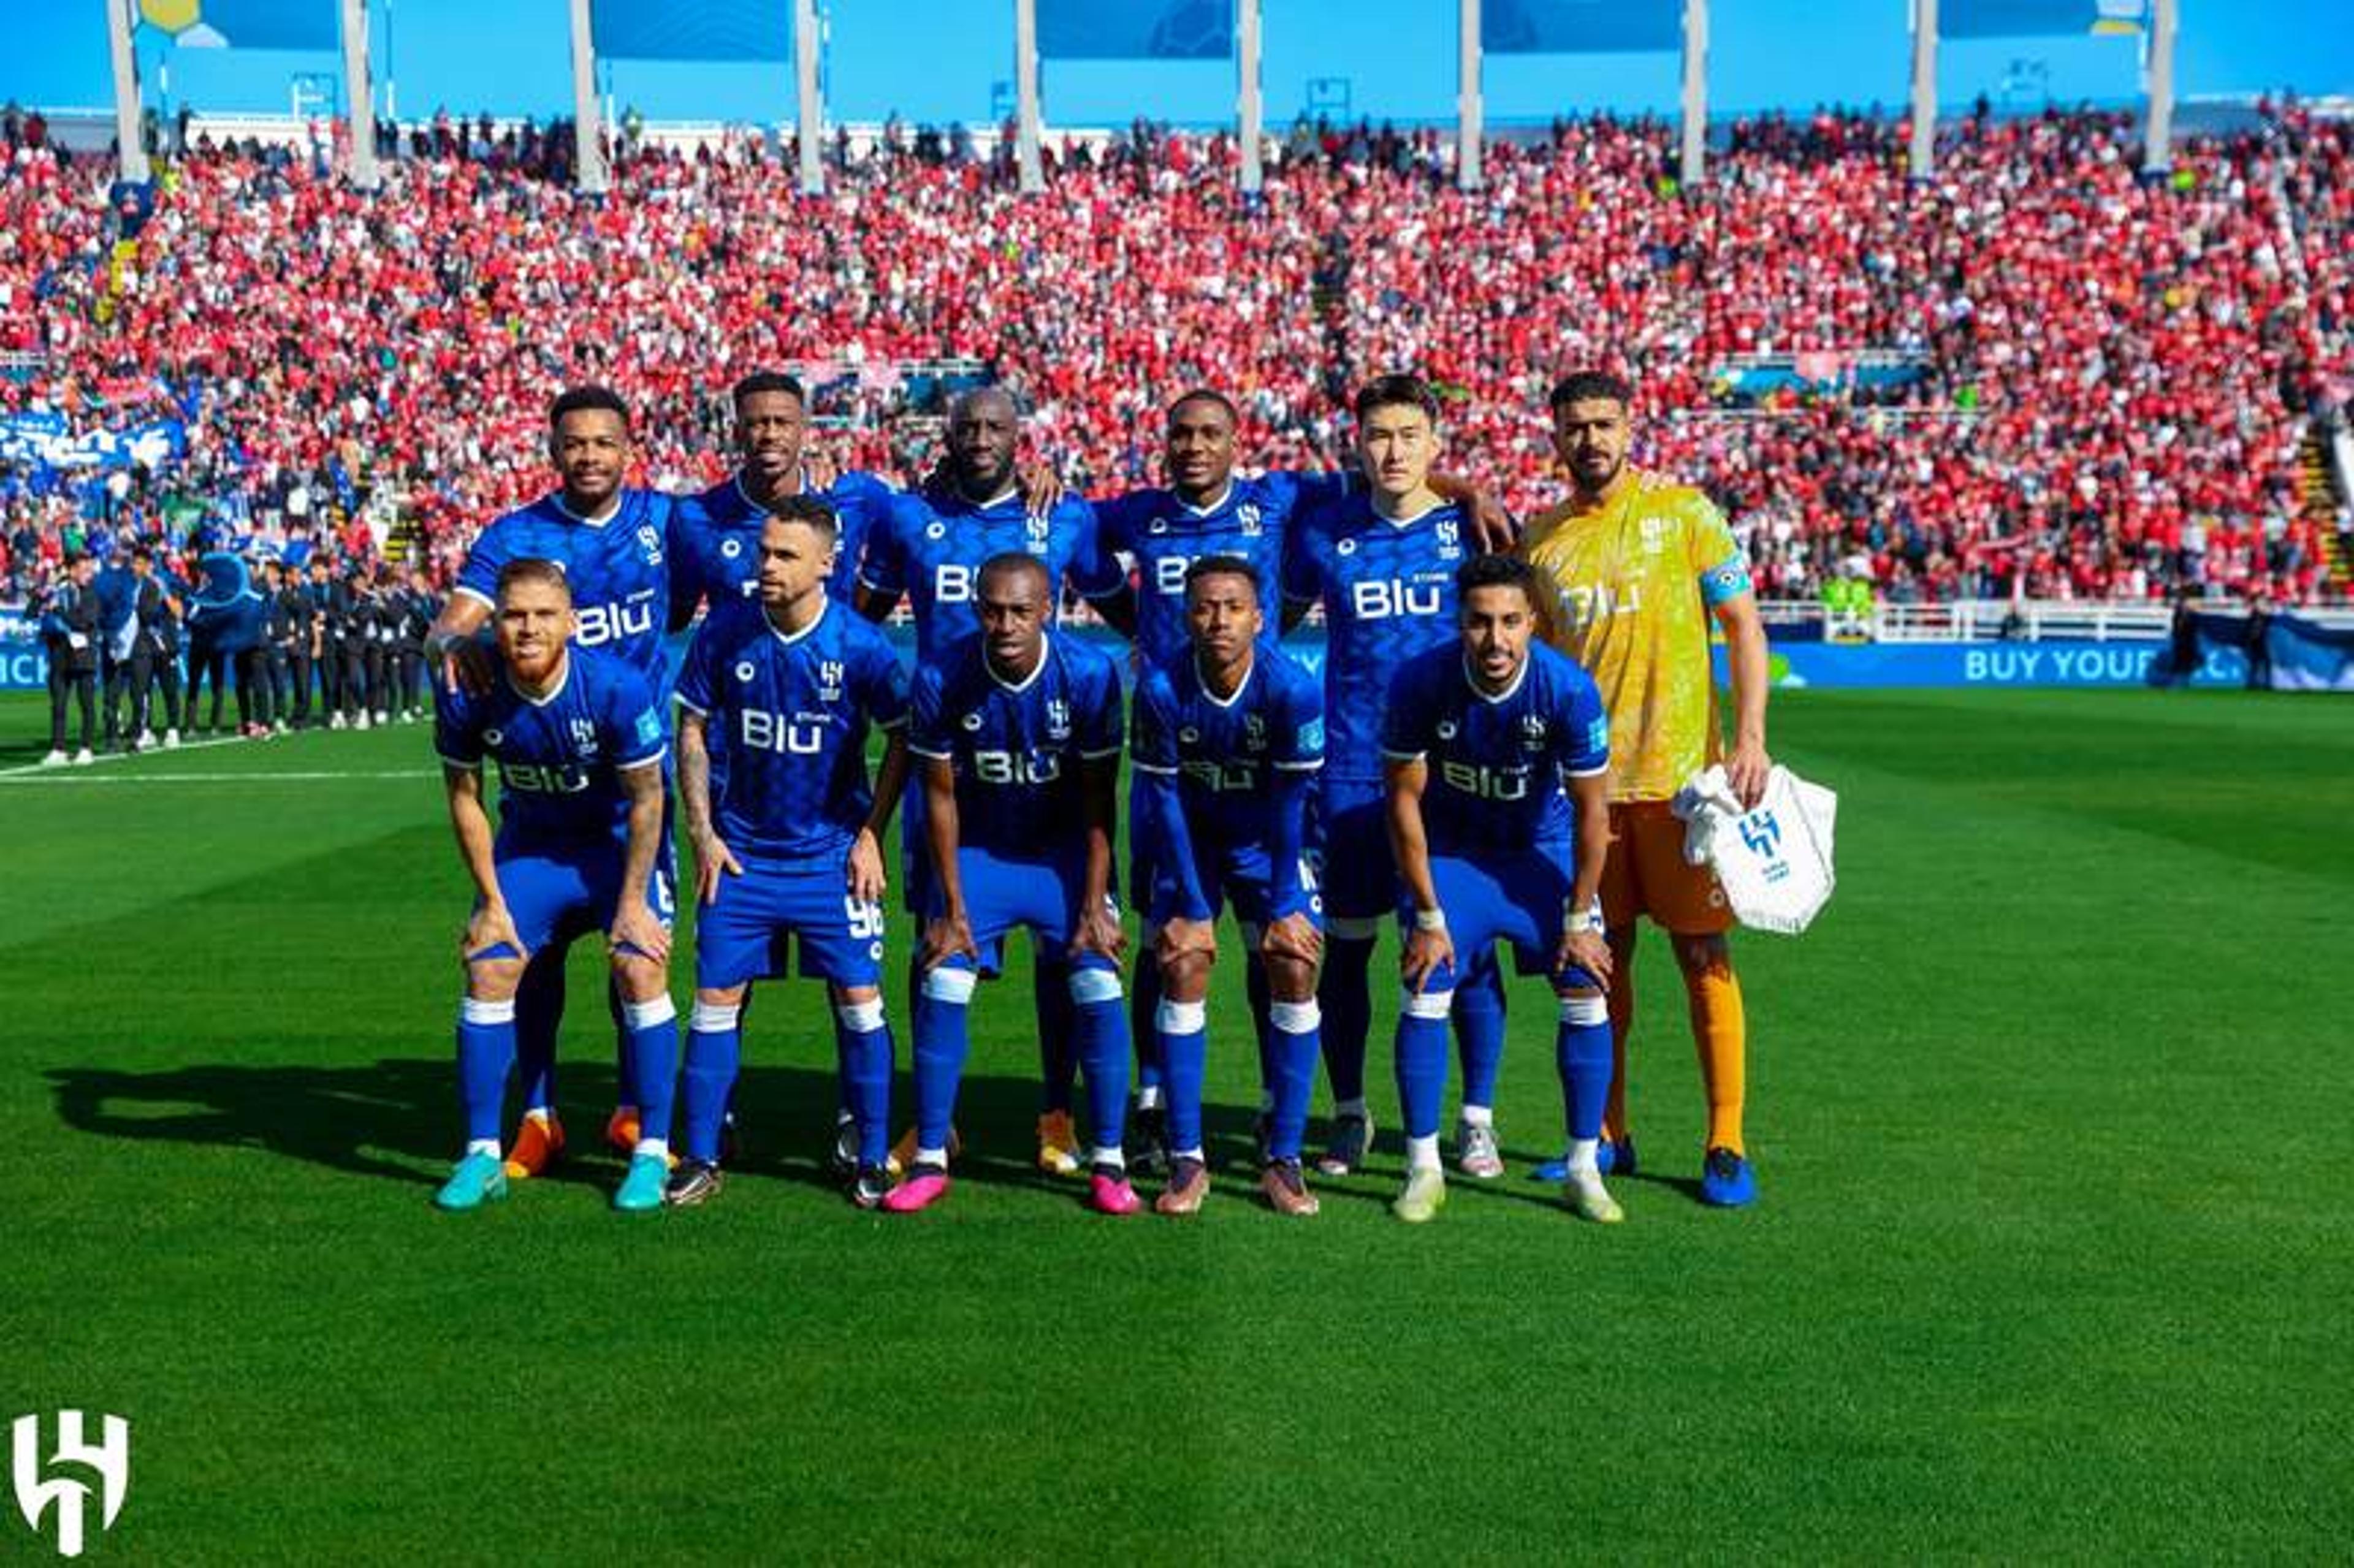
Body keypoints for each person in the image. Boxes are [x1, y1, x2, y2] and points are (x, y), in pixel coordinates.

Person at [1518, 370, 1771, 1207]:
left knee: (1703, 954)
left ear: (1630, 427)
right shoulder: (1543, 540)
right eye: (1575, 426)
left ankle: (1726, 1138)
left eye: (1603, 423)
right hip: (1587, 793)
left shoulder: (1686, 514)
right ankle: (1607, 1133)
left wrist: (1751, 737)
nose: (1590, 439)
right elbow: (1540, 666)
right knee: (1600, 960)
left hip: (1682, 788)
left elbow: (1742, 625)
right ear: (1555, 437)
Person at [856, 386, 1104, 1178]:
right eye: (968, 426)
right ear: (950, 435)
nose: (982, 437)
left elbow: (1122, 604)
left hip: (1046, 763)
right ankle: (934, 1119)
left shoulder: (1061, 514)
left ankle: (1057, 1111)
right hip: (947, 763)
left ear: (1018, 435)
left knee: (1060, 944)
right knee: (933, 935)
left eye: (997, 425)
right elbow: (863, 617)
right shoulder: (908, 518)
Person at [429, 384, 678, 1170]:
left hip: (631, 786)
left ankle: (639, 1113)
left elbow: (761, 529)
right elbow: (455, 617)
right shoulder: (517, 534)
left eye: (604, 442)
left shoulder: (666, 521)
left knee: (634, 955)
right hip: (542, 789)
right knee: (519, 957)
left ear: (627, 448)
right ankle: (536, 1114)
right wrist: (451, 645)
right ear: (554, 449)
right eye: (575, 443)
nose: (589, 456)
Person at [1280, 372, 1505, 1179]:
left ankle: (1476, 1118)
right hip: (1349, 770)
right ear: (1358, 445)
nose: (1395, 450)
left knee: (1461, 948)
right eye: (1380, 435)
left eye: (1411, 434)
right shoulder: (1322, 536)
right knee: (1348, 948)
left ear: (1436, 442)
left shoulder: (1473, 532)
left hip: (1451, 774)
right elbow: (1272, 626)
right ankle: (1349, 1112)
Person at [669, 497, 912, 1209]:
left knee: (861, 1003)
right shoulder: (726, 633)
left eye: (783, 555)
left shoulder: (861, 645)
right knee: (714, 1001)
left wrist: (872, 832)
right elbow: (691, 729)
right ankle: (705, 1152)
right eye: (762, 551)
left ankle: (870, 1154)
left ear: (826, 565)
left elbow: (903, 735)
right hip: (742, 856)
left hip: (831, 858)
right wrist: (703, 832)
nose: (764, 565)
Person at [883, 552, 1139, 1217]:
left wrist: (1094, 902)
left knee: (1098, 976)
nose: (1005, 623)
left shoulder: (1088, 672)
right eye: (992, 609)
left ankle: (1108, 1159)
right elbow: (939, 796)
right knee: (944, 971)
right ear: (976, 608)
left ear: (1048, 608)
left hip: (1060, 854)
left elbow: (1098, 800)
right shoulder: (942, 672)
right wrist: (952, 906)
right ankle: (934, 1151)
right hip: (980, 850)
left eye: (1021, 610)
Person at [1379, 554, 1620, 1223]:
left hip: (1537, 854)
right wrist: (1427, 912)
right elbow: (1402, 803)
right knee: (1426, 980)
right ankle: (1423, 1165)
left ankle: (1582, 1167)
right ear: (1459, 622)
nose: (1496, 639)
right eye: (1481, 622)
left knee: (1586, 983)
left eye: (1510, 622)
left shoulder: (1568, 689)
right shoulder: (1420, 682)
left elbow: (1594, 813)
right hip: (1455, 856)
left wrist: (1581, 917)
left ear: (1533, 622)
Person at [1129, 556, 1327, 1216]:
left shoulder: (1291, 688)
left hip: (1270, 841)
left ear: (1259, 616)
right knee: (1182, 960)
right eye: (1206, 607)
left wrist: (1284, 901)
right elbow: (1164, 798)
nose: (1219, 619)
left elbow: (1293, 801)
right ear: (1187, 614)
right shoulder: (1161, 686)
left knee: (1295, 962)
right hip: (1193, 842)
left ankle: (1285, 1156)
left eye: (1233, 606)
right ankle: (1188, 1158)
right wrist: (1190, 903)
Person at [39, 552, 100, 766]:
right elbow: (31, 612)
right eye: (84, 570)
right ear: (72, 570)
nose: (88, 575)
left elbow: (83, 623)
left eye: (90, 570)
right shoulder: (59, 590)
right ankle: (58, 749)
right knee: (58, 704)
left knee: (86, 704)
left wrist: (59, 610)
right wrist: (44, 593)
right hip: (60, 654)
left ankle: (86, 747)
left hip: (84, 656)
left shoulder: (91, 593)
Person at [125, 545, 183, 750]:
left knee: (170, 689)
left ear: (149, 565)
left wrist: (165, 595)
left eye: (139, 563)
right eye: (134, 562)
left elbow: (178, 612)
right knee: (141, 688)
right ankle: (145, 731)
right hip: (142, 644)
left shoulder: (166, 580)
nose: (135, 567)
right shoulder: (131, 585)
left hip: (165, 643)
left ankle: (173, 729)